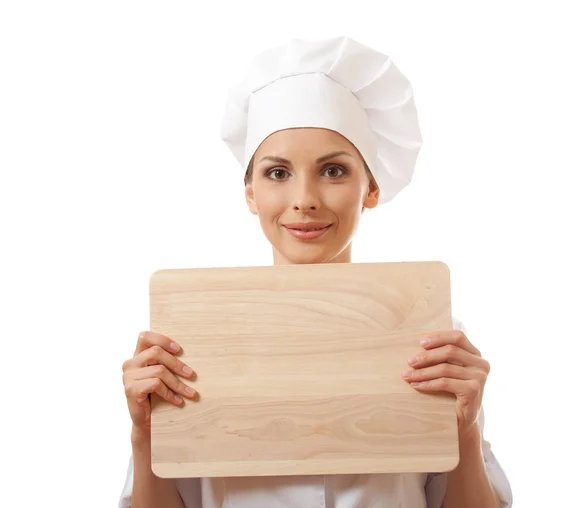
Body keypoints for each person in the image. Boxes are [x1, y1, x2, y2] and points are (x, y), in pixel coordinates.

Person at [119, 36, 513, 507]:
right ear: (250, 194)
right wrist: (144, 434)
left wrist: (465, 431)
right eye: (277, 173)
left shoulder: (430, 338)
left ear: (370, 188)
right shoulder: (190, 339)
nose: (304, 198)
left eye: (333, 171)